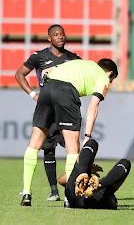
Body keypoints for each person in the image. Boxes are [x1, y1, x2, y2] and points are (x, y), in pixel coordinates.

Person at [20, 58, 118, 206]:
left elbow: (46, 71)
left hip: (47, 88)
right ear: (110, 73)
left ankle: (26, 192)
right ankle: (69, 197)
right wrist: (87, 136)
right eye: (111, 80)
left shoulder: (81, 63)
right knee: (73, 147)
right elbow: (94, 106)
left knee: (34, 144)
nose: (109, 83)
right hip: (66, 92)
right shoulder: (103, 76)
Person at [15, 24, 81, 201]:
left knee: (73, 147)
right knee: (45, 147)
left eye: (62, 34)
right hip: (47, 105)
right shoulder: (39, 56)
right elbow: (20, 74)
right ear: (49, 39)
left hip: (65, 106)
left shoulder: (74, 59)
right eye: (56, 35)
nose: (60, 37)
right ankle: (46, 191)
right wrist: (33, 94)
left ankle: (69, 192)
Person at [60, 138, 131, 209]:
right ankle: (98, 185)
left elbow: (61, 180)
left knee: (91, 143)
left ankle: (82, 174)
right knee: (126, 163)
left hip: (73, 194)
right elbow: (112, 204)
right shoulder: (107, 194)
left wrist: (87, 169)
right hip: (93, 201)